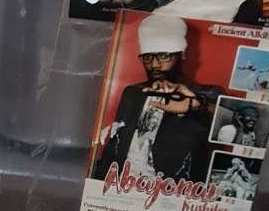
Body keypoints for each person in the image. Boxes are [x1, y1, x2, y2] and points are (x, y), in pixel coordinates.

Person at [93, 13, 220, 183]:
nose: (154, 65)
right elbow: (115, 143)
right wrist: (98, 181)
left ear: (182, 55)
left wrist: (198, 104)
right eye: (148, 57)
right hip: (121, 186)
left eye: (163, 56)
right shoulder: (133, 92)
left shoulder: (206, 94)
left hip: (170, 190)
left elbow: (227, 125)